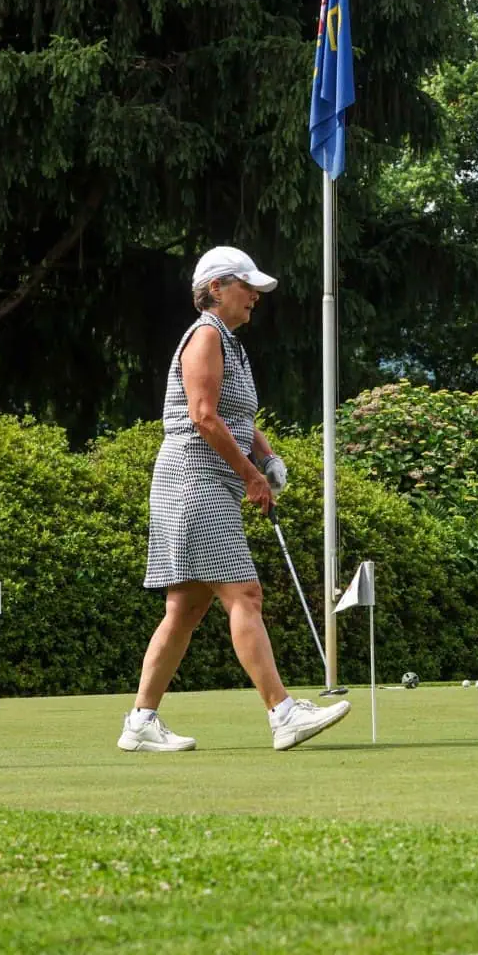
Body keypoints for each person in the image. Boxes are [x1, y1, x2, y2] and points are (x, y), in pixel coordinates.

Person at [118, 247, 351, 752]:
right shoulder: (204, 336)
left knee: (184, 609)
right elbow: (202, 417)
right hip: (193, 480)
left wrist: (266, 456)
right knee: (245, 595)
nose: (255, 298)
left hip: (207, 480)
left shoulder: (230, 343)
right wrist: (251, 477)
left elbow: (236, 418)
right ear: (218, 288)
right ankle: (283, 713)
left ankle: (139, 722)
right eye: (247, 288)